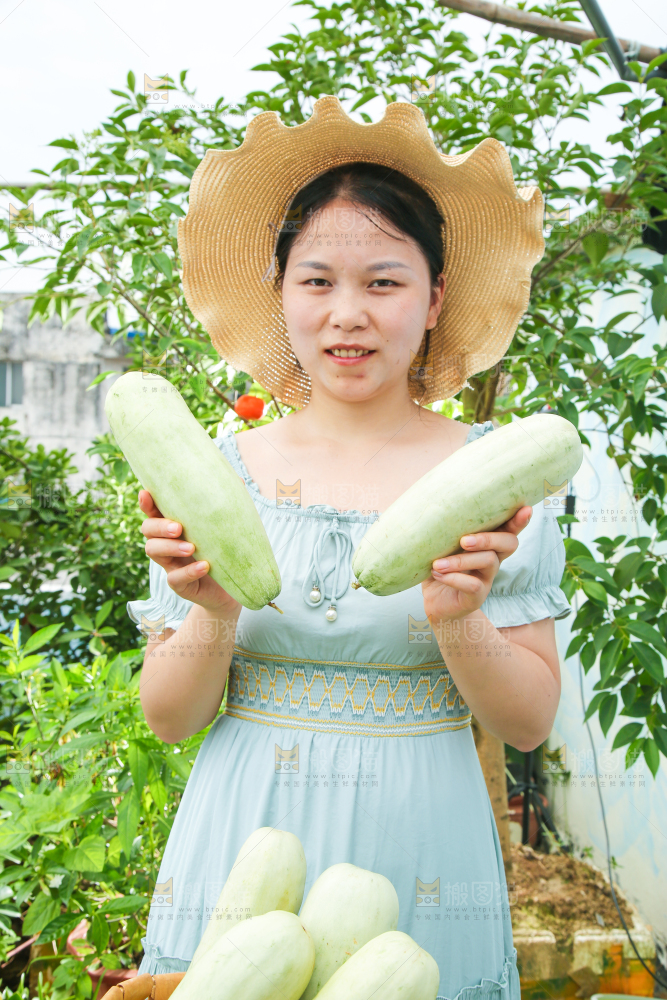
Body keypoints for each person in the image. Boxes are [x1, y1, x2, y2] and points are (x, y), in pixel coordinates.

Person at [126, 96, 571, 1000]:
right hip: (242, 841)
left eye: (383, 283)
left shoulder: (495, 484)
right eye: (317, 280)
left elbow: (527, 724)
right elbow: (169, 718)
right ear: (280, 292)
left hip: (422, 845)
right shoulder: (213, 477)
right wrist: (212, 612)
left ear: (434, 299)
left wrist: (459, 618)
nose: (347, 315)